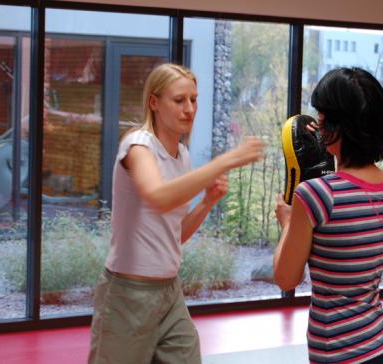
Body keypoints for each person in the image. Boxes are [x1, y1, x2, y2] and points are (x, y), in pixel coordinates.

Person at [88, 63, 264, 364]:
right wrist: (227, 160)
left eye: (193, 100)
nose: (189, 108)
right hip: (128, 293)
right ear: (154, 103)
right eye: (179, 100)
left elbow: (175, 233)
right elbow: (158, 197)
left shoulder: (181, 155)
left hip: (169, 291)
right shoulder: (138, 145)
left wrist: (207, 201)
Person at [274, 67, 383, 364]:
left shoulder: (316, 195)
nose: (318, 129)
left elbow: (286, 278)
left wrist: (286, 222)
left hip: (338, 355)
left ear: (339, 128)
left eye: (322, 120)